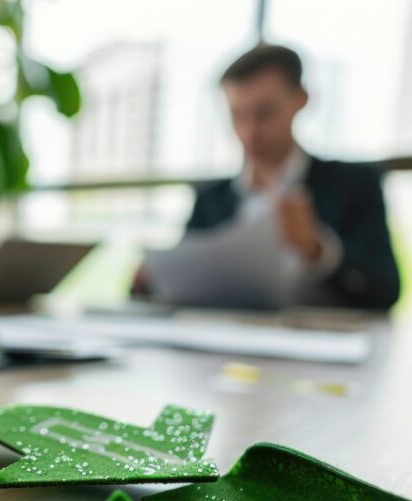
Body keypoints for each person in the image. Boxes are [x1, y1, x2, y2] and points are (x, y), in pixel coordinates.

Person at [137, 44, 401, 310]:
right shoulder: (210, 199)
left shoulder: (353, 185)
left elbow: (386, 290)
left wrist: (318, 251)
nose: (250, 131)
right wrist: (148, 280)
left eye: (264, 113)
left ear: (301, 100)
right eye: (238, 115)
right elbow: (174, 288)